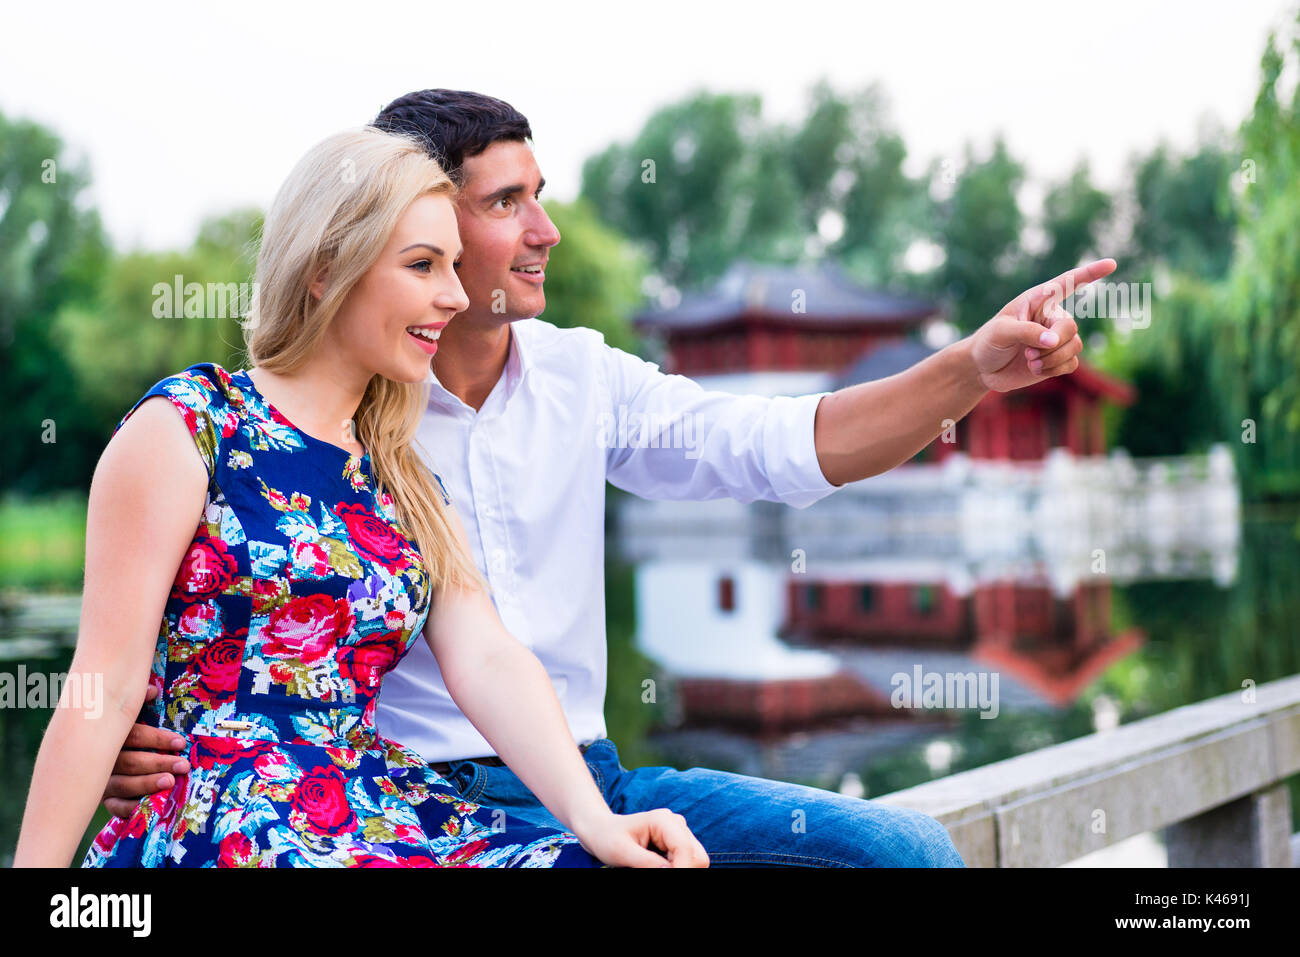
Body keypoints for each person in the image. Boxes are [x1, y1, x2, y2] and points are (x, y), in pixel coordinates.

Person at [102, 89, 1116, 867]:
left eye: (539, 197)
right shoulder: (336, 423)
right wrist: (143, 737)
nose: (544, 231)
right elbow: (210, 608)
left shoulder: (581, 376)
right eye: (508, 203)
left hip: (593, 775)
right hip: (393, 800)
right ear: (419, 224)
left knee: (907, 855)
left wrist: (971, 368)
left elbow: (789, 445)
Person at [13, 126, 708, 868]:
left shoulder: (401, 471)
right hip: (223, 824)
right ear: (325, 270)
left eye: (454, 266)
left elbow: (486, 657)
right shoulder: (191, 426)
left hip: (370, 804)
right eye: (422, 265)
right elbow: (105, 691)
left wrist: (595, 820)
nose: (455, 294)